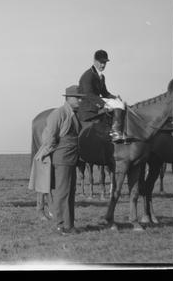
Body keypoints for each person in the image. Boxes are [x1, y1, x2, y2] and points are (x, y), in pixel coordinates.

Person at [33, 85, 85, 235]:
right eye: (78, 97)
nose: (80, 100)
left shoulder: (74, 114)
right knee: (62, 193)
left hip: (71, 158)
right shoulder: (59, 113)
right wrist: (50, 150)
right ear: (68, 99)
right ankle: (60, 225)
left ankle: (69, 225)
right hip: (62, 158)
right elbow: (48, 136)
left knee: (70, 192)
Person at [78, 50, 125, 142]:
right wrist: (103, 104)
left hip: (95, 101)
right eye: (101, 62)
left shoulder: (102, 77)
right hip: (88, 106)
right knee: (118, 105)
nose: (103, 65)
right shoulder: (88, 75)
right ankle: (115, 132)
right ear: (95, 61)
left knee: (120, 104)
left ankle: (117, 129)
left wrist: (115, 98)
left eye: (104, 63)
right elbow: (88, 94)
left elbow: (105, 93)